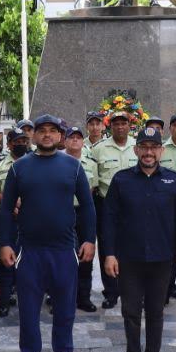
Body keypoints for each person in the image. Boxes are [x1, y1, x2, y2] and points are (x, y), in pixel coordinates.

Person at [0, 114, 96, 352]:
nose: (47, 135)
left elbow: (87, 206)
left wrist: (89, 239)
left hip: (64, 249)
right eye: (42, 131)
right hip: (29, 250)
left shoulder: (73, 167)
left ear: (61, 137)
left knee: (65, 307)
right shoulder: (20, 168)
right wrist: (5, 243)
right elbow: (6, 209)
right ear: (34, 135)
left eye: (53, 131)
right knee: (28, 308)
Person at [102, 126, 176, 352]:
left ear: (161, 151)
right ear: (136, 150)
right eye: (144, 147)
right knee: (130, 312)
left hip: (161, 259)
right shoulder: (121, 180)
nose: (149, 152)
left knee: (155, 312)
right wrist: (109, 254)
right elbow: (109, 220)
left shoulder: (173, 181)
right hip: (129, 259)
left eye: (154, 147)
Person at [90, 111, 137, 309]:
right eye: (116, 123)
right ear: (110, 127)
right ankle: (111, 291)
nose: (120, 127)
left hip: (135, 205)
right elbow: (93, 179)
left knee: (133, 246)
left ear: (129, 126)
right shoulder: (98, 149)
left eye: (123, 123)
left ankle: (132, 288)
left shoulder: (138, 146)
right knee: (107, 247)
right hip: (106, 204)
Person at [0, 128, 30, 316]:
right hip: (7, 218)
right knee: (5, 261)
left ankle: (27, 300)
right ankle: (3, 302)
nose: (20, 145)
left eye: (23, 141)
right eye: (16, 142)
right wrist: (12, 203)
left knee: (29, 260)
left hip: (32, 219)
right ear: (9, 144)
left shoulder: (36, 163)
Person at [63, 126, 101, 313]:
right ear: (65, 141)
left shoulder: (91, 163)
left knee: (86, 255)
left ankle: (83, 297)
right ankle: (61, 298)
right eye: (72, 137)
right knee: (65, 257)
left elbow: (92, 190)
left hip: (83, 212)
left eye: (78, 137)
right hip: (62, 212)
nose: (75, 140)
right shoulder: (57, 161)